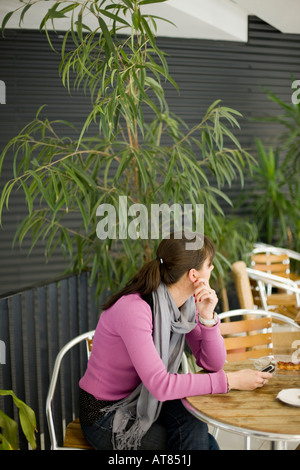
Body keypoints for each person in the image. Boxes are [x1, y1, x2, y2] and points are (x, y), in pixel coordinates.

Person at [79, 232, 272, 450]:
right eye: (210, 264)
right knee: (202, 444)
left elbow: (213, 364)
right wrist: (229, 381)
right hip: (105, 415)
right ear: (193, 275)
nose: (213, 269)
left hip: (145, 400)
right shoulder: (134, 310)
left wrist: (208, 317)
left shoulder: (183, 306)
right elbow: (161, 385)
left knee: (197, 431)